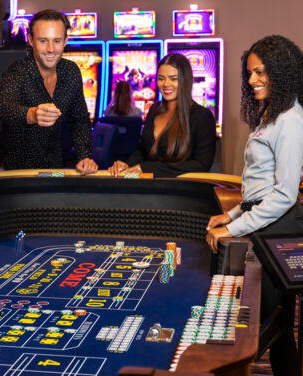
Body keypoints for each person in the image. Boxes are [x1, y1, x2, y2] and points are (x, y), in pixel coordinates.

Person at [206, 35, 303, 376]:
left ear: (281, 71)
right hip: (265, 224)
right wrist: (231, 213)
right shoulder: (272, 114)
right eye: (249, 73)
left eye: (260, 72)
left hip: (280, 229)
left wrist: (232, 228)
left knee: (271, 324)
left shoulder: (291, 119)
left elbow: (284, 195)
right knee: (273, 327)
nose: (251, 80)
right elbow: (258, 188)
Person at [0, 9, 98, 174]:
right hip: (16, 171)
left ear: (66, 40)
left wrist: (84, 156)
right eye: (43, 41)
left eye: (57, 41)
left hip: (53, 167)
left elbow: (79, 119)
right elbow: (5, 108)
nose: (51, 49)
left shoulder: (70, 71)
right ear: (31, 40)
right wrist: (32, 114)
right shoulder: (18, 71)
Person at [108, 53, 216, 178]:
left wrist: (148, 168)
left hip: (182, 191)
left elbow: (201, 165)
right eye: (161, 78)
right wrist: (127, 164)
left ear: (185, 80)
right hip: (149, 187)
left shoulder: (202, 116)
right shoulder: (154, 109)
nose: (165, 84)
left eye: (173, 78)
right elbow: (143, 149)